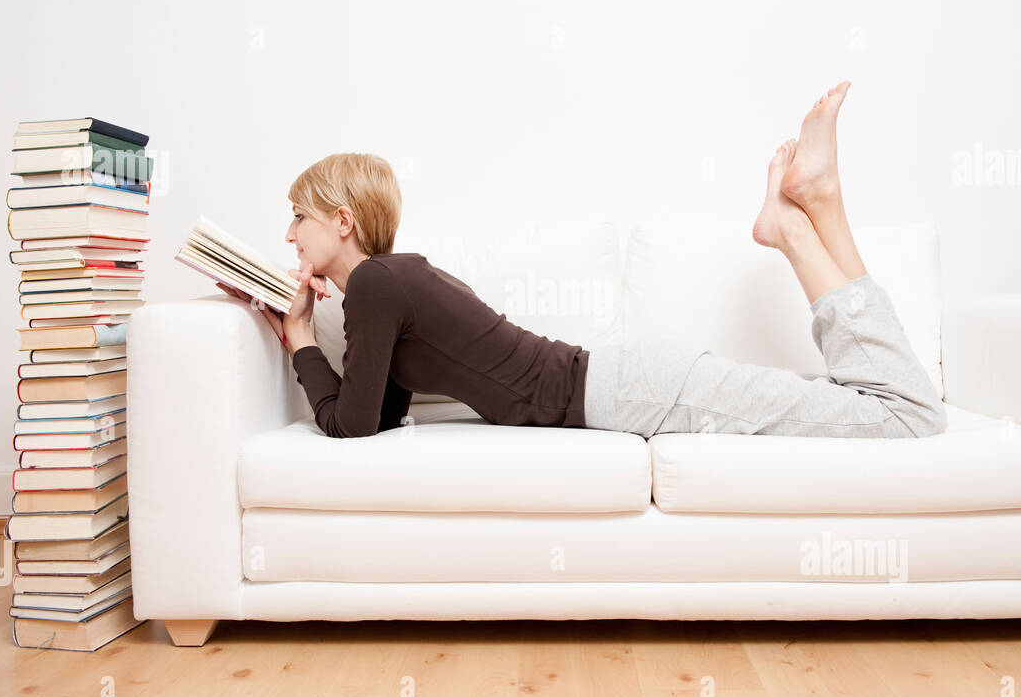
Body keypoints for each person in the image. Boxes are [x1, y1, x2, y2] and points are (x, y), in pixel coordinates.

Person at [217, 80, 946, 440]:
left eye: (299, 217)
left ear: (343, 222)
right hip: (635, 384)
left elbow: (344, 426)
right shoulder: (391, 283)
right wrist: (324, 326)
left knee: (906, 420)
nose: (289, 235)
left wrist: (302, 340)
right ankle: (811, 211)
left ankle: (806, 221)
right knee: (874, 407)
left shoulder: (381, 280)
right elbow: (374, 418)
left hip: (637, 390)